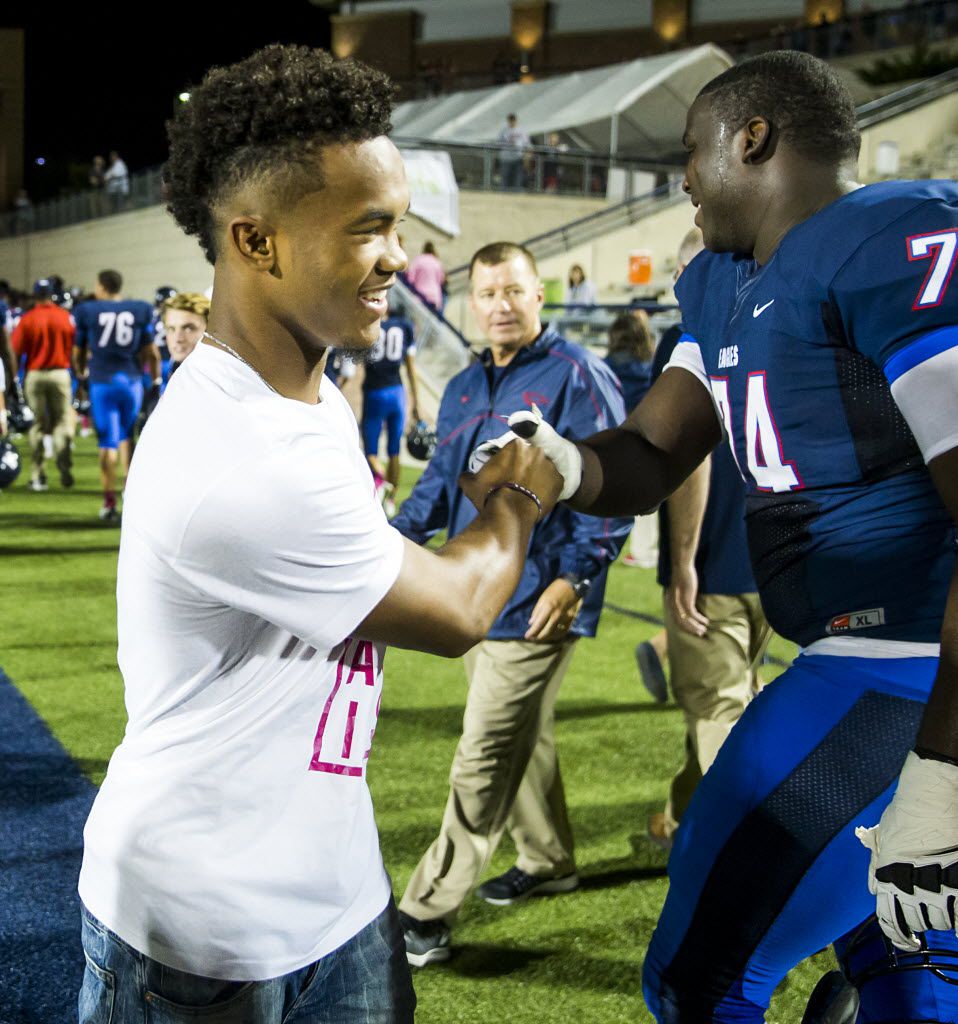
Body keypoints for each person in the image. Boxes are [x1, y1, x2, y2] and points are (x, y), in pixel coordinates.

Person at [77, 44, 561, 1024]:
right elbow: (460, 607)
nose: (396, 257)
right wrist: (517, 495)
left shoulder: (301, 394)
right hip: (207, 937)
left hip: (332, 886)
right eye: (367, 228)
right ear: (256, 242)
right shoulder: (242, 450)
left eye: (398, 226)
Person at [499, 51, 958, 1023]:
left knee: (700, 979)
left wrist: (944, 769)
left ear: (752, 138)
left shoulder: (889, 237)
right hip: (854, 656)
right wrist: (563, 465)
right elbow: (649, 448)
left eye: (689, 151)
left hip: (907, 671)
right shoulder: (722, 283)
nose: (680, 180)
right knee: (906, 970)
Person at [393, 241, 631, 967]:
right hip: (475, 596)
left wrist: (578, 576)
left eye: (514, 291)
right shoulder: (466, 382)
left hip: (538, 598)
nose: (500, 304)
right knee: (522, 739)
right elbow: (439, 481)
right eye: (488, 292)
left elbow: (612, 478)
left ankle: (423, 911)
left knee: (483, 751)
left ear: (538, 295)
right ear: (472, 301)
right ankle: (551, 858)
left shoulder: (577, 375)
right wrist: (390, 541)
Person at [644, 227, 771, 851]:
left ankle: (726, 859)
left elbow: (688, 457)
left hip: (715, 565)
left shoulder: (688, 337)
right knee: (730, 705)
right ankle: (678, 817)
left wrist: (685, 560)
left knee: (721, 717)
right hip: (769, 560)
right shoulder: (775, 321)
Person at [72, 269, 159, 522]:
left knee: (107, 444)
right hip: (131, 382)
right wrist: (154, 380)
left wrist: (80, 375)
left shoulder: (89, 311)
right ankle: (131, 498)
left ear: (101, 286)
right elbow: (151, 352)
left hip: (102, 383)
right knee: (127, 439)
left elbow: (78, 352)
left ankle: (109, 503)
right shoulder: (138, 309)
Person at [10, 278, 77, 491]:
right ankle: (64, 467)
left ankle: (38, 476)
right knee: (63, 422)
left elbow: (16, 351)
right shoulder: (65, 317)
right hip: (60, 373)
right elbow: (75, 349)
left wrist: (14, 379)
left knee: (37, 425)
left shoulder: (28, 319)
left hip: (35, 374)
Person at [605, 311, 658, 568]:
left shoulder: (603, 369)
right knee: (647, 505)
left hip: (611, 448)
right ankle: (643, 551)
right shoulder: (653, 371)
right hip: (648, 446)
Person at [361, 300, 420, 517]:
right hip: (397, 393)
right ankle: (392, 498)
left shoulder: (368, 324)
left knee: (371, 452)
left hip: (374, 393)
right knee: (395, 451)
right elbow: (411, 368)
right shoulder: (403, 326)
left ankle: (380, 484)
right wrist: (417, 403)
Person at [161, 291, 209, 375]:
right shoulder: (171, 370)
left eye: (189, 328)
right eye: (171, 329)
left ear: (209, 331)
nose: (177, 338)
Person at [405, 241, 445, 312]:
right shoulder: (437, 262)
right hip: (434, 297)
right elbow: (440, 280)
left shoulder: (418, 260)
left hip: (420, 296)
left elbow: (410, 278)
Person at [497, 113, 530, 191]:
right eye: (510, 120)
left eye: (513, 120)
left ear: (516, 120)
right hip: (506, 158)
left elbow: (527, 143)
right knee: (505, 178)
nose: (512, 122)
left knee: (518, 179)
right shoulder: (504, 131)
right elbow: (498, 143)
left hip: (518, 158)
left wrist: (527, 155)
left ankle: (516, 197)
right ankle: (503, 195)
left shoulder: (521, 131)